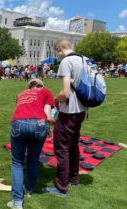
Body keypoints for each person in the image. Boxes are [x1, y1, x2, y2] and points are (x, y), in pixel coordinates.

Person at [44, 37, 86, 196]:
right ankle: (74, 178)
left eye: (58, 53)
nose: (58, 56)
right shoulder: (84, 59)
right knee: (73, 145)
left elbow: (66, 92)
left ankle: (61, 186)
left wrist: (56, 99)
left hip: (69, 111)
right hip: (81, 110)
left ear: (60, 49)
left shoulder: (66, 62)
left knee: (62, 148)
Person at [8, 78, 54, 209]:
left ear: (29, 87)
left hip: (18, 123)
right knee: (33, 159)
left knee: (17, 162)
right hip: (39, 124)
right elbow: (47, 114)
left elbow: (21, 109)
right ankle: (29, 190)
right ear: (41, 86)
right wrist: (53, 121)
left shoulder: (21, 94)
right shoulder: (46, 92)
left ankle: (17, 202)